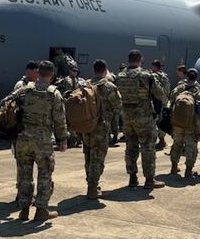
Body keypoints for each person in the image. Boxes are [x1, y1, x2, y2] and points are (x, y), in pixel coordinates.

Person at [10, 61, 68, 221]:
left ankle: (24, 210)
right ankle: (41, 210)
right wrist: (62, 139)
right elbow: (60, 119)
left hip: (23, 138)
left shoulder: (24, 89)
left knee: (24, 175)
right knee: (45, 174)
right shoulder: (53, 93)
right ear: (52, 74)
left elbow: (9, 106)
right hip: (43, 140)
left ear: (38, 73)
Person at [116, 50, 167, 189]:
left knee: (130, 147)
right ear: (140, 59)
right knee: (148, 147)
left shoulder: (119, 76)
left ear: (129, 60)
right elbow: (159, 93)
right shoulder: (146, 75)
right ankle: (149, 180)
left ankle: (132, 178)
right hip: (144, 118)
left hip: (127, 117)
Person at [84, 59, 122, 199]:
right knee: (97, 158)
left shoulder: (85, 84)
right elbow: (118, 105)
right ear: (106, 70)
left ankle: (90, 183)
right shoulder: (109, 86)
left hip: (86, 126)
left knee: (88, 156)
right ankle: (92, 188)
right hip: (101, 128)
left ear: (94, 70)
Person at [168, 68, 200, 179]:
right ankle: (188, 171)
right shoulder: (199, 92)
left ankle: (174, 167)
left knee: (176, 145)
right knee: (191, 147)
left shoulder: (178, 89)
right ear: (196, 77)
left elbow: (171, 103)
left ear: (187, 76)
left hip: (177, 124)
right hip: (192, 125)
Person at [56, 64, 86, 148]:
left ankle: (77, 140)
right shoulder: (64, 81)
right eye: (73, 71)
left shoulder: (79, 81)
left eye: (76, 71)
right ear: (70, 71)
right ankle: (70, 140)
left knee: (77, 122)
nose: (75, 72)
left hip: (76, 105)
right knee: (68, 123)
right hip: (67, 104)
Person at [151, 60, 171, 150]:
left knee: (155, 121)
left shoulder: (154, 76)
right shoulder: (165, 76)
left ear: (155, 67)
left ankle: (161, 141)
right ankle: (162, 140)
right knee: (161, 120)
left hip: (156, 102)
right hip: (164, 101)